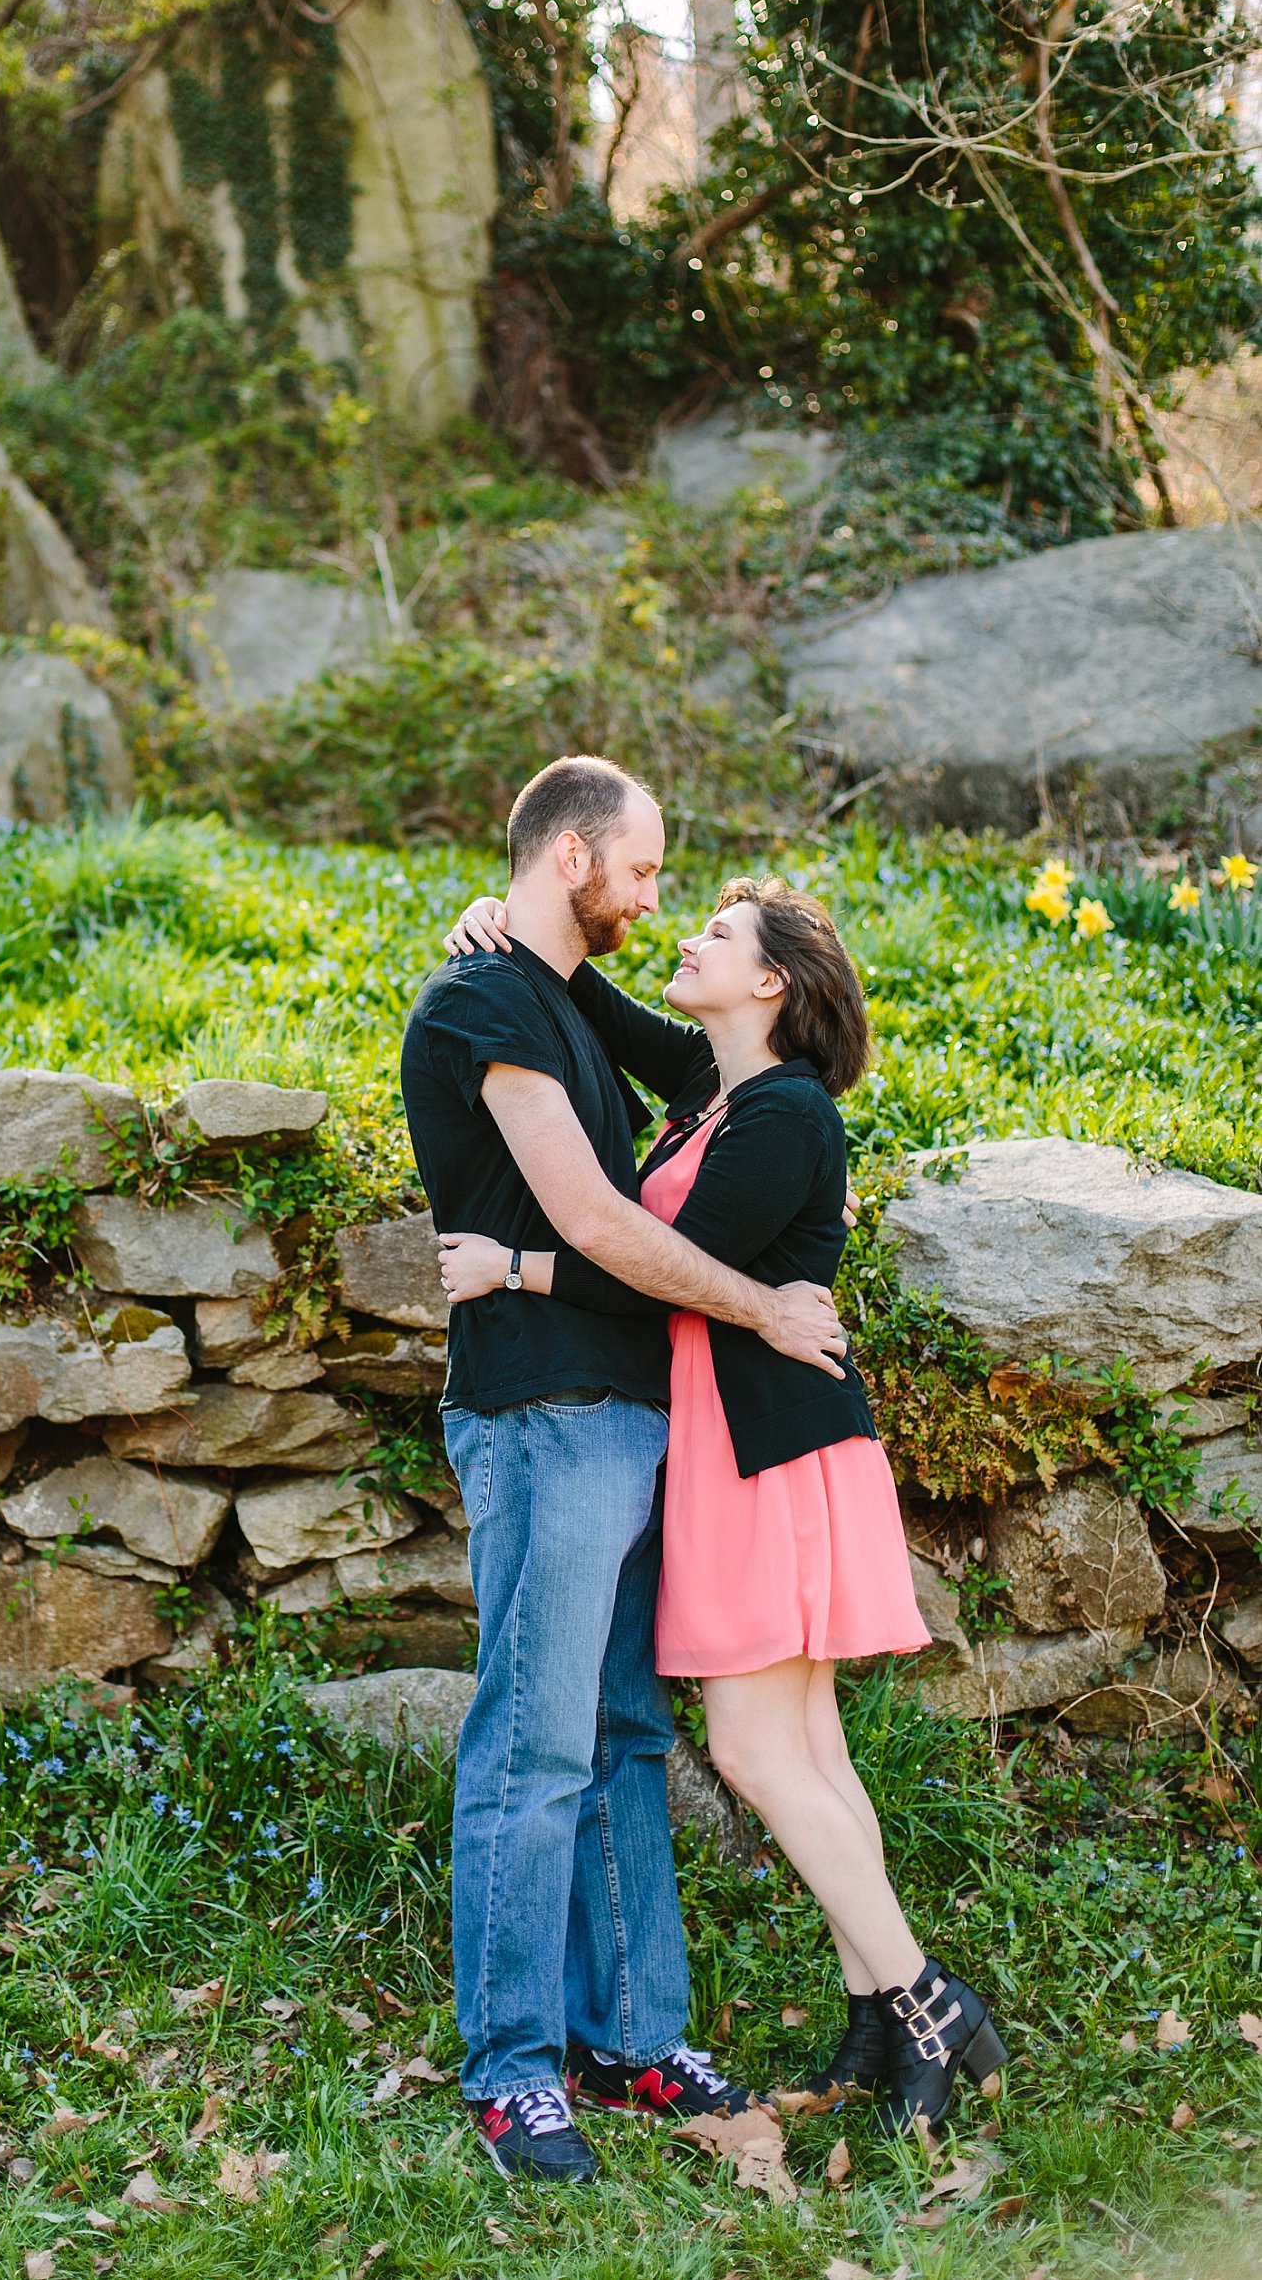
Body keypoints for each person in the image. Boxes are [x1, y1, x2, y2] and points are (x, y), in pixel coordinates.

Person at [435, 874, 1009, 2135]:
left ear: (768, 985)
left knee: (753, 1749)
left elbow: (661, 1280)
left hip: (768, 1455)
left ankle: (924, 1996)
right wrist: (515, 924)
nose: (680, 936)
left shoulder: (786, 1117)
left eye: (711, 933)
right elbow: (602, 1002)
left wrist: (512, 1266)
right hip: (755, 1443)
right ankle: (877, 2007)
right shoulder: (717, 1093)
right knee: (808, 1749)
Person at [396, 755, 853, 2184]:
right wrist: (759, 1301)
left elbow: (660, 1141)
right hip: (545, 1411)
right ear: (576, 855)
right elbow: (592, 1216)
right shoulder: (482, 1001)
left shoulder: (565, 1002)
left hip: (631, 1413)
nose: (657, 901)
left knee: (624, 1735)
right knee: (534, 1741)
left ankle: (633, 2031)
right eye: (645, 870)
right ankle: (514, 2067)